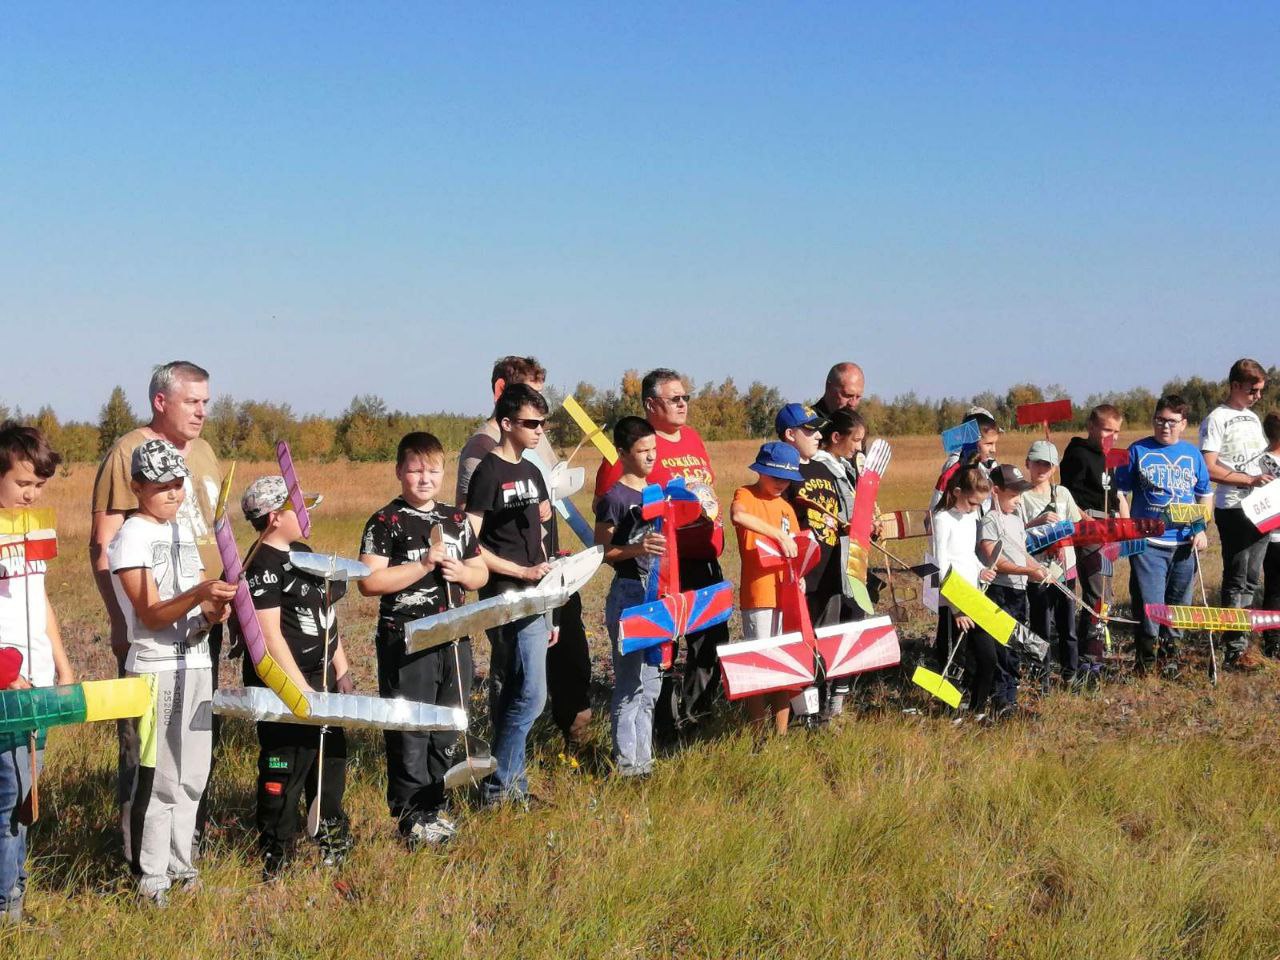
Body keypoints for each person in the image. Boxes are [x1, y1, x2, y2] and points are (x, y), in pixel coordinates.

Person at [89, 361, 224, 847]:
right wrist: (120, 622)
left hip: (203, 618)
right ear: (160, 402)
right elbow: (104, 545)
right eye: (192, 401)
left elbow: (215, 529)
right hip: (150, 630)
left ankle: (184, 847)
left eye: (206, 402)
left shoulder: (204, 453)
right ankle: (139, 854)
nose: (202, 412)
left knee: (194, 742)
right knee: (145, 747)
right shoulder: (128, 453)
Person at [107, 439, 235, 905]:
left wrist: (212, 612)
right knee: (161, 778)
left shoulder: (182, 530)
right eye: (162, 485)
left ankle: (184, 867)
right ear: (137, 485)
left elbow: (191, 611)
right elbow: (152, 616)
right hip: (156, 671)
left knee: (193, 775)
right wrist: (201, 590)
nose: (173, 494)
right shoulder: (131, 536)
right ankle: (151, 879)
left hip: (197, 664)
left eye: (178, 484)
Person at [358, 433, 488, 847]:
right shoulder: (384, 522)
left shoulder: (456, 520)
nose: (424, 478)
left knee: (448, 726)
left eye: (433, 470)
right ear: (399, 472)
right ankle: (410, 816)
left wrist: (462, 574)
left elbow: (480, 572)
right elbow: (370, 581)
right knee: (410, 730)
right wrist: (423, 564)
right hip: (407, 641)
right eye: (415, 470)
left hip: (454, 638)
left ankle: (436, 807)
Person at [457, 356, 592, 750]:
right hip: (508, 585)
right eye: (531, 396)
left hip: (548, 577)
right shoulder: (481, 452)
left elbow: (542, 507)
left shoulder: (533, 443)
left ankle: (561, 746)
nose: (539, 423)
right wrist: (518, 568)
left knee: (562, 666)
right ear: (503, 395)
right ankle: (505, 768)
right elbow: (471, 531)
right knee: (513, 676)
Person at [593, 369, 726, 737]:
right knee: (663, 647)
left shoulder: (694, 439)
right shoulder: (635, 447)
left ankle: (698, 720)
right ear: (652, 404)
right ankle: (664, 729)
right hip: (664, 569)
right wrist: (636, 554)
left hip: (704, 560)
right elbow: (610, 507)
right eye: (675, 398)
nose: (683, 404)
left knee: (711, 641)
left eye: (686, 397)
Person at [236, 476, 356, 877]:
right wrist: (299, 690)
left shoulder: (304, 554)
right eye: (296, 508)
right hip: (282, 685)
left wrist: (341, 668)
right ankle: (277, 850)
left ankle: (332, 839)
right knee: (285, 766)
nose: (306, 514)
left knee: (330, 760)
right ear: (273, 518)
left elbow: (327, 616)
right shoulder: (259, 567)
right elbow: (268, 637)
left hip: (320, 678)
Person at [465, 384, 553, 805]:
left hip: (538, 596)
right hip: (504, 595)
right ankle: (500, 786)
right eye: (531, 423)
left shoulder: (533, 472)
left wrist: (551, 600)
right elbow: (470, 542)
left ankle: (507, 786)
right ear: (506, 423)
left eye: (543, 423)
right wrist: (520, 571)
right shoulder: (488, 473)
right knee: (531, 695)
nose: (540, 431)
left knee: (519, 689)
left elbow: (539, 541)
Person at [0, 424, 74, 925]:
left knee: (28, 792)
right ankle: (6, 904)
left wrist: (63, 665)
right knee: (10, 793)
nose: (32, 494)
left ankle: (15, 893)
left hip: (39, 681)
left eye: (40, 486)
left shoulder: (33, 532)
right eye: (23, 483)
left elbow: (38, 601)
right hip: (7, 684)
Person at [1115, 395, 1213, 677]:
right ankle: (1145, 661)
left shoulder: (1192, 455)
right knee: (1150, 603)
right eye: (1160, 420)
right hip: (1149, 543)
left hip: (1184, 543)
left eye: (1171, 421)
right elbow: (1120, 492)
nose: (1165, 426)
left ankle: (1171, 658)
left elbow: (1205, 495)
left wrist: (1202, 527)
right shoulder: (1137, 450)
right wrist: (1126, 528)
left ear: (1183, 424)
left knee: (1180, 603)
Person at [593, 417, 665, 776]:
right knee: (629, 685)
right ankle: (626, 765)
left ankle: (645, 761)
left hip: (658, 597)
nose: (651, 456)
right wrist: (637, 548)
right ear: (622, 453)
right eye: (642, 451)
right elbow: (602, 551)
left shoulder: (658, 491)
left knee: (651, 684)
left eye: (654, 448)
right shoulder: (615, 498)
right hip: (628, 596)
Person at [1199, 359, 1273, 670]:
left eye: (1260, 390)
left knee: (1254, 579)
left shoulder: (1254, 419)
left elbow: (1262, 460)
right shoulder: (1216, 419)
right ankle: (1234, 648)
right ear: (1234, 386)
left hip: (1262, 507)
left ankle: (1247, 640)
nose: (1257, 395)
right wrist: (1248, 480)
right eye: (1252, 390)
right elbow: (1209, 466)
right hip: (1234, 508)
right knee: (1237, 577)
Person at [729, 442, 803, 735]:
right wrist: (777, 535)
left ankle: (781, 734)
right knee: (760, 665)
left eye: (786, 479)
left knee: (783, 664)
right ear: (760, 472)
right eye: (775, 476)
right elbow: (738, 516)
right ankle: (758, 735)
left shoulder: (786, 507)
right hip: (759, 594)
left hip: (785, 595)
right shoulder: (745, 494)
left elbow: (797, 545)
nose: (781, 483)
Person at [977, 465, 1050, 718]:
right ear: (996, 492)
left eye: (1021, 493)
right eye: (1014, 494)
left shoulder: (1016, 518)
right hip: (1000, 591)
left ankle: (1012, 697)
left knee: (1016, 645)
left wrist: (1038, 567)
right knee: (1001, 647)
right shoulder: (990, 520)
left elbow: (1022, 553)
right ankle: (1000, 701)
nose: (1019, 499)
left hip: (1019, 593)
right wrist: (1027, 572)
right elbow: (992, 559)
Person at [1060, 404, 1129, 671]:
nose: (1112, 436)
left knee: (1106, 591)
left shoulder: (1111, 455)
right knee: (1097, 591)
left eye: (1117, 431)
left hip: (1111, 528)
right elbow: (1066, 496)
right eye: (1106, 430)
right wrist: (1087, 523)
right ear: (1091, 427)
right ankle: (1090, 657)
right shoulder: (1078, 453)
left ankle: (1097, 648)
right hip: (1090, 527)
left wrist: (1124, 527)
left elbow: (1118, 494)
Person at [810, 408, 866, 717]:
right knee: (828, 630)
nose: (859, 447)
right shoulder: (819, 469)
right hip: (831, 562)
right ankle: (818, 707)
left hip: (853, 559)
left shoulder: (846, 467)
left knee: (852, 624)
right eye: (855, 440)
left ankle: (838, 701)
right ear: (836, 437)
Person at [1018, 440, 1084, 687]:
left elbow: (1076, 526)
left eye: (1047, 464)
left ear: (1054, 468)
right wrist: (1039, 521)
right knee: (1040, 625)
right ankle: (1041, 676)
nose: (1041, 469)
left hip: (1065, 568)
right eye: (1037, 463)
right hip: (1037, 570)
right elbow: (1016, 534)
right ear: (1028, 464)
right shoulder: (1021, 496)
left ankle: (1070, 673)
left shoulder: (1063, 493)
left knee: (1068, 624)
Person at [930, 464, 996, 668]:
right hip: (952, 600)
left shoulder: (971, 516)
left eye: (980, 504)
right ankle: (949, 699)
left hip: (971, 593)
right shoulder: (942, 519)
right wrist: (955, 608)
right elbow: (940, 564)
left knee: (981, 656)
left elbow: (967, 554)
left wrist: (980, 569)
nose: (975, 508)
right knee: (952, 658)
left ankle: (972, 696)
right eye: (972, 502)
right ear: (957, 492)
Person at [927, 409, 1001, 514]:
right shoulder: (953, 472)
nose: (994, 450)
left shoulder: (988, 468)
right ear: (971, 441)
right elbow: (935, 512)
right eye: (988, 444)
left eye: (994, 444)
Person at [1258, 413, 1280, 657]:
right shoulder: (1266, 462)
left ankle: (1272, 642)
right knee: (1275, 591)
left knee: (1274, 591)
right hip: (1274, 537)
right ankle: (1272, 643)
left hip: (1272, 537)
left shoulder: (1261, 459)